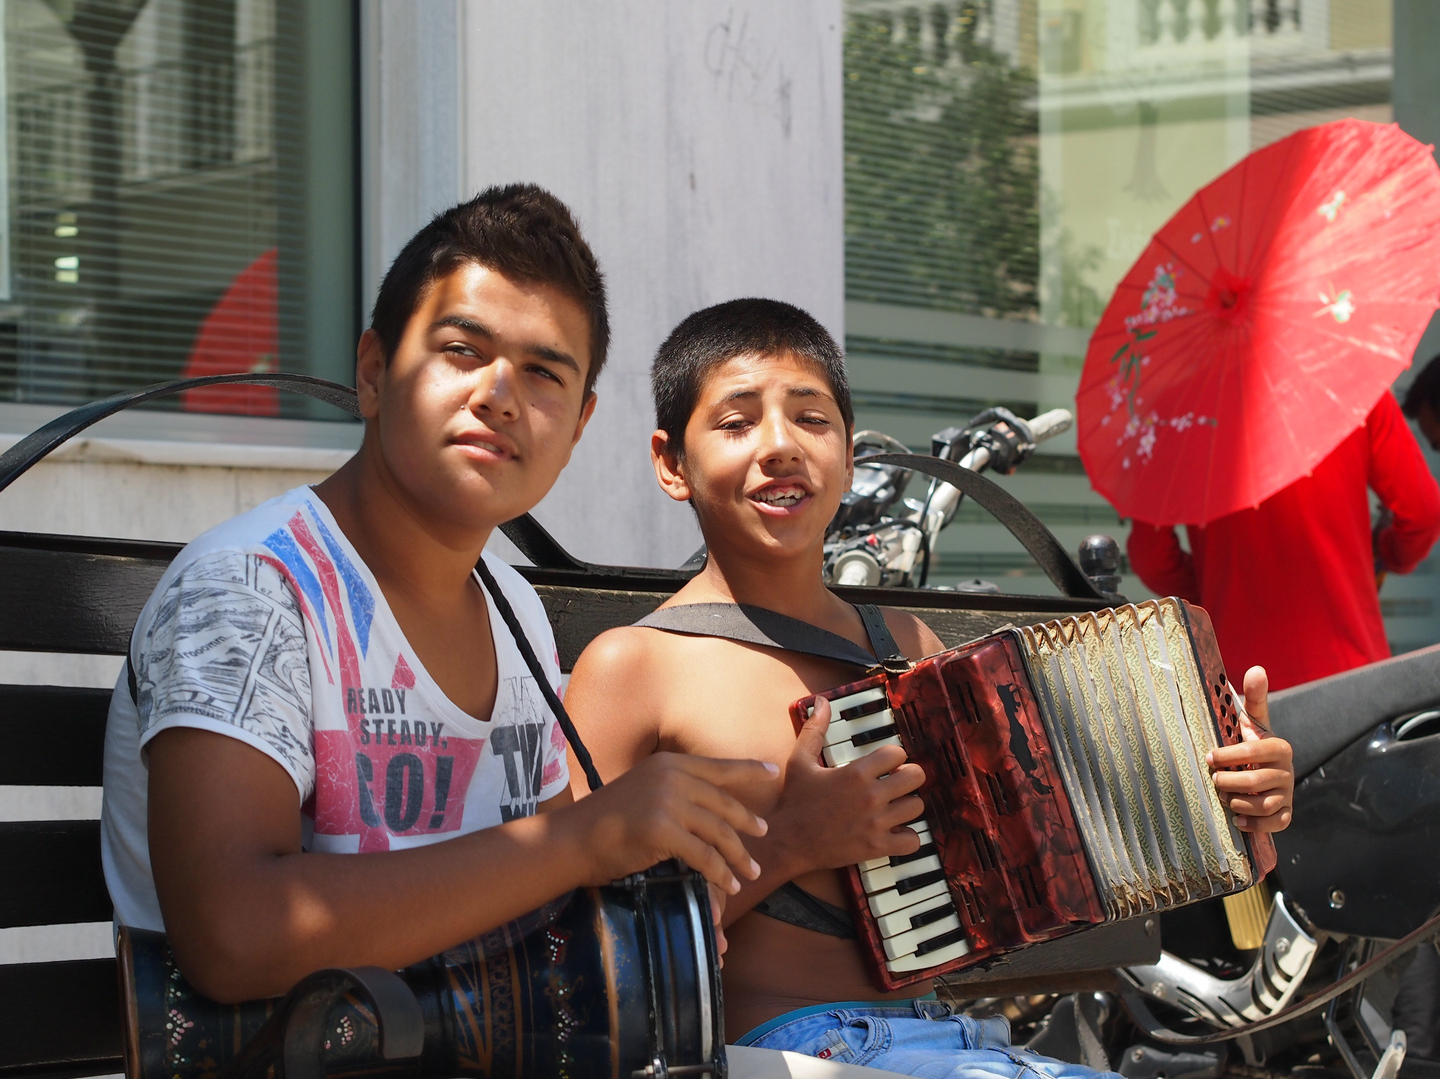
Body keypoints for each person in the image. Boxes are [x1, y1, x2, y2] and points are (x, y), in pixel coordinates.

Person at [563, 298, 1295, 1075]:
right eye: (737, 423)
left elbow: (1043, 855)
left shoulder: (906, 647)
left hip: (955, 1038)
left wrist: (1225, 801)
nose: (779, 445)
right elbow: (574, 959)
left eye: (811, 419)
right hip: (781, 1052)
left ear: (850, 457)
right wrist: (790, 846)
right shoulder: (635, 667)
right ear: (671, 462)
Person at [99, 186, 778, 1004]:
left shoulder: (514, 612)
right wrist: (582, 837)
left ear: (578, 427)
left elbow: (547, 884)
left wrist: (653, 889)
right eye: (463, 350)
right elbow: (234, 938)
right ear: (375, 371)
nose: (498, 394)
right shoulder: (251, 589)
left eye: (542, 373)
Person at [1127, 389, 1440, 692]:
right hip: (1352, 669)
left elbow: (1151, 559)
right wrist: (1388, 553)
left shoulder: (1175, 416)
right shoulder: (1350, 384)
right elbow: (1424, 514)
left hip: (1241, 685)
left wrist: (1218, 588)